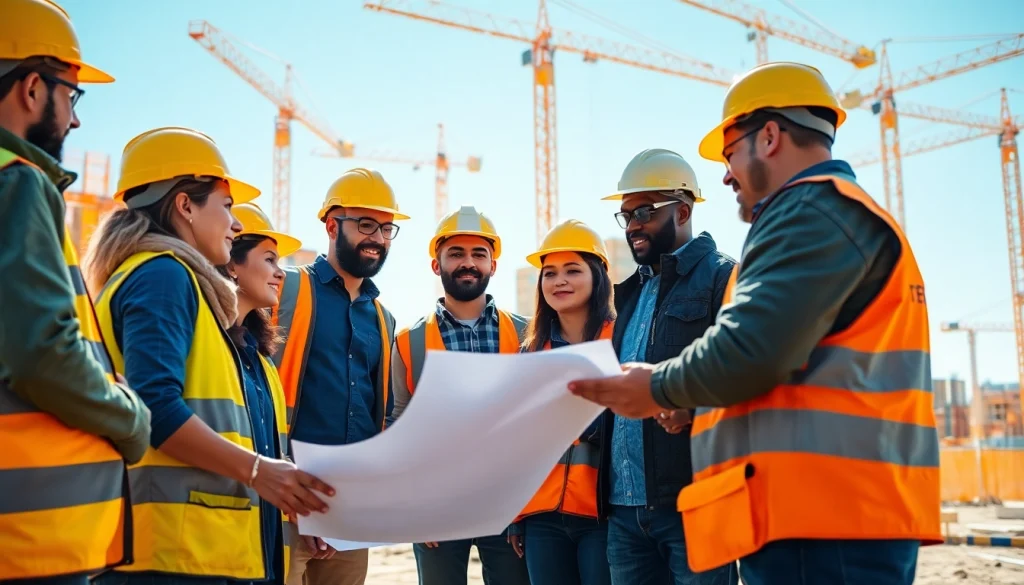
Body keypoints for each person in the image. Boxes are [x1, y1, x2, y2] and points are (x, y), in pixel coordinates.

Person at [568, 62, 942, 585]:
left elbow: (752, 347)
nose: (725, 176)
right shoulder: (840, 215)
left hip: (824, 515)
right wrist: (696, 404)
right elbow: (796, 365)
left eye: (729, 155)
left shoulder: (810, 211)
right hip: (834, 510)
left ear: (768, 137)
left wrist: (658, 387)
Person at [86, 126, 334, 585]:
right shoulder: (162, 273)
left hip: (189, 552)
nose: (236, 225)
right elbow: (153, 406)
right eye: (226, 207)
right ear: (184, 205)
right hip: (167, 557)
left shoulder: (167, 280)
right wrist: (260, 472)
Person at [0, 1, 151, 583]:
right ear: (33, 88)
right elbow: (43, 351)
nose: (77, 120)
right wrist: (130, 416)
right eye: (73, 95)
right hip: (29, 543)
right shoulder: (17, 182)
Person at [598, 148, 738, 585]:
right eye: (626, 216)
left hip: (692, 504)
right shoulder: (630, 295)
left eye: (643, 211)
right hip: (624, 512)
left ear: (682, 210)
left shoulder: (722, 278)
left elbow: (745, 374)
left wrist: (694, 410)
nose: (633, 225)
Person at [272, 168, 406, 585]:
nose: (378, 238)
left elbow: (373, 416)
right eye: (366, 225)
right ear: (332, 225)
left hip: (348, 506)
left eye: (386, 228)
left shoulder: (383, 319)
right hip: (284, 495)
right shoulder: (285, 291)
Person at [390, 205, 531, 585]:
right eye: (456, 253)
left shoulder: (528, 335)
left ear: (493, 265)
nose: (468, 263)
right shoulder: (408, 341)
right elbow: (399, 428)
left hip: (509, 505)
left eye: (478, 254)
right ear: (436, 265)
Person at [508, 219, 615, 585]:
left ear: (598, 275)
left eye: (573, 270)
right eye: (549, 273)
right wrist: (517, 516)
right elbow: (520, 443)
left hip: (603, 512)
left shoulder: (621, 340)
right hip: (542, 517)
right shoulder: (532, 351)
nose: (559, 281)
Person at [218, 202, 306, 584]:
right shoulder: (207, 343)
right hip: (217, 550)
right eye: (269, 259)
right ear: (231, 264)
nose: (278, 272)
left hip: (263, 548)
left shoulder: (263, 362)